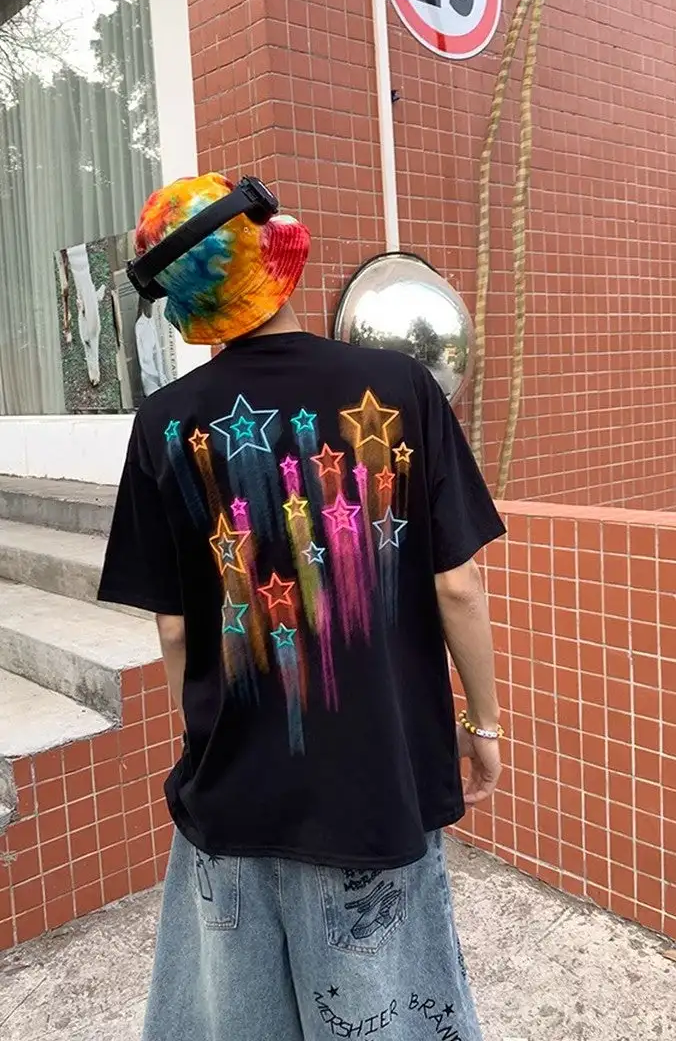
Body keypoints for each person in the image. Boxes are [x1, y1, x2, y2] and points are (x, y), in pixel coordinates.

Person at [98, 172, 506, 1041]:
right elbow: (457, 585)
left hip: (233, 796)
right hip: (374, 791)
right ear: (277, 258)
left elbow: (174, 627)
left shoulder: (164, 422)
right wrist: (483, 724)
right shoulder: (402, 387)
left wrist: (207, 738)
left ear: (185, 305)